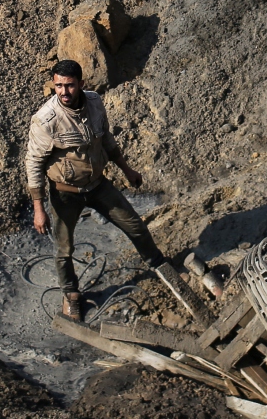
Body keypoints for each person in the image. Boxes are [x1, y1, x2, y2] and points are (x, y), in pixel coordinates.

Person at [25, 59, 166, 322]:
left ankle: (159, 265)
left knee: (135, 225)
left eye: (69, 85)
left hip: (98, 185)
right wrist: (38, 208)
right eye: (58, 86)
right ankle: (71, 295)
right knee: (64, 249)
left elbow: (106, 139)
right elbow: (34, 163)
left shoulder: (94, 102)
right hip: (65, 192)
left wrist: (127, 169)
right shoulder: (46, 119)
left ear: (81, 84)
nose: (64, 92)